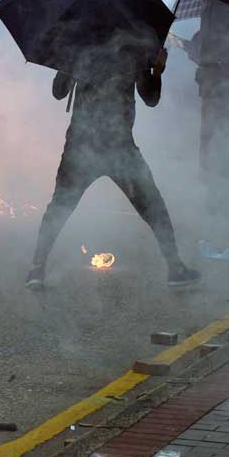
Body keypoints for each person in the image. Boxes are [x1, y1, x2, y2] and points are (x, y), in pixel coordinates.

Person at [26, 48, 200, 290]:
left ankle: (36, 269)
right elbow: (151, 98)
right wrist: (158, 71)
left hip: (84, 144)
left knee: (60, 207)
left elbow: (58, 92)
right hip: (117, 146)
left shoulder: (79, 45)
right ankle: (175, 268)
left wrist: (66, 61)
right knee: (152, 206)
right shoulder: (133, 45)